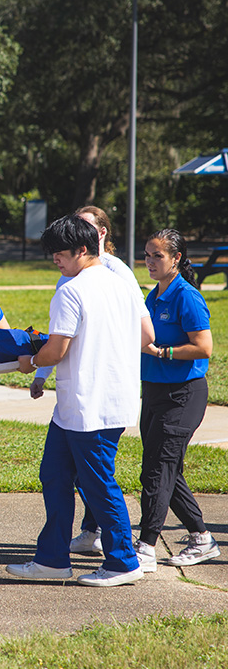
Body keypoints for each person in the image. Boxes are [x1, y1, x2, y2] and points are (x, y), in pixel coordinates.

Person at [6, 214, 154, 587]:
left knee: (98, 484)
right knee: (54, 476)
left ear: (82, 250)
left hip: (90, 404)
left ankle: (123, 561)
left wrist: (32, 362)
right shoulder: (122, 283)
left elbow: (56, 350)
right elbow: (144, 334)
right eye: (51, 252)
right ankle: (53, 559)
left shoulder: (71, 290)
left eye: (59, 253)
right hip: (92, 403)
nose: (55, 259)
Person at [134, 229, 220, 571]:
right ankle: (202, 538)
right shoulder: (153, 295)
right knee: (165, 470)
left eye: (158, 256)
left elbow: (204, 347)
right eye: (147, 255)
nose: (150, 262)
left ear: (177, 259)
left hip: (184, 394)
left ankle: (145, 545)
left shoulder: (187, 297)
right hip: (153, 391)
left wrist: (163, 352)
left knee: (156, 469)